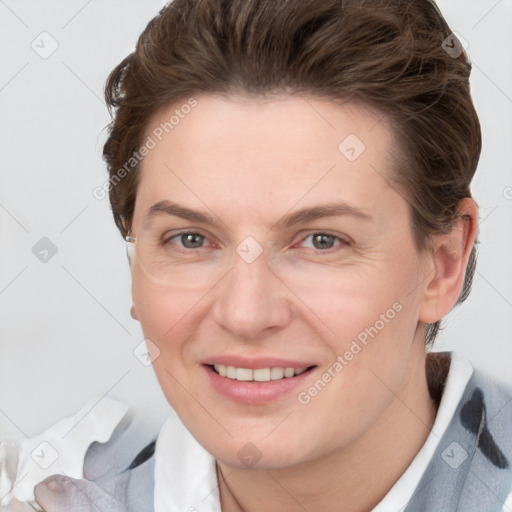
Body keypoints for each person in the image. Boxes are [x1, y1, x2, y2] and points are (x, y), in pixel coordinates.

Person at [1, 0, 511, 510]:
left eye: (321, 241)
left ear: (443, 264)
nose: (245, 314)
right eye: (191, 240)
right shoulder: (41, 489)